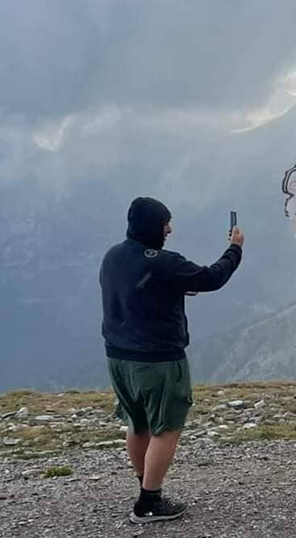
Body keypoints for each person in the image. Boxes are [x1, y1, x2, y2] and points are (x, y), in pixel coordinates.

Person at [100, 197, 244, 524]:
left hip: (119, 358)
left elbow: (137, 289)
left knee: (137, 423)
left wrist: (175, 287)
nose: (169, 229)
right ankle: (149, 503)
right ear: (154, 225)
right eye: (165, 222)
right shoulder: (163, 262)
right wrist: (235, 249)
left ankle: (145, 487)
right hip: (159, 361)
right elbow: (211, 278)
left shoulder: (113, 256)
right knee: (167, 428)